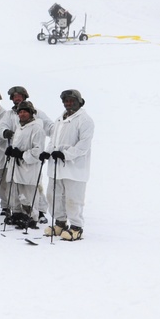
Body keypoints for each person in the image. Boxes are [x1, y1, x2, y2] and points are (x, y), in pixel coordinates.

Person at [45, 89, 94, 241]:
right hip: (56, 167)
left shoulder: (85, 120)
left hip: (74, 168)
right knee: (54, 196)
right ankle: (60, 222)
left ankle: (76, 227)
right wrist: (48, 151)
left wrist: (66, 154)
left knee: (73, 199)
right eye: (66, 100)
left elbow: (83, 145)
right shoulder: (60, 119)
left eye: (71, 100)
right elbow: (53, 140)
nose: (68, 103)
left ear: (79, 101)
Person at [2, 101, 46, 229]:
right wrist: (11, 151)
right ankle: (17, 214)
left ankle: (32, 217)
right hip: (16, 167)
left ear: (31, 113)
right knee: (15, 190)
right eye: (20, 112)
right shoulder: (19, 127)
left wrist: (21, 155)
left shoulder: (36, 128)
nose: (22, 114)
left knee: (28, 193)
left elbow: (38, 150)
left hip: (29, 167)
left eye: (25, 111)